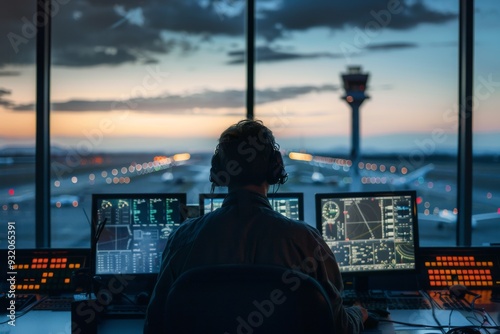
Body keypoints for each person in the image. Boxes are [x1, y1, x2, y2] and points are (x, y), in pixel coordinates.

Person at [143, 119, 368, 333]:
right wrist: (358, 314)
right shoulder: (306, 242)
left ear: (217, 172)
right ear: (275, 169)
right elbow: (338, 328)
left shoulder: (183, 240)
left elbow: (155, 326)